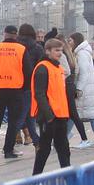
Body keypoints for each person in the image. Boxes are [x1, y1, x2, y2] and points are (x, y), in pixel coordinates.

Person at [0, 26, 28, 160]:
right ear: (16, 35)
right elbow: (28, 71)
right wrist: (23, 88)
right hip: (16, 91)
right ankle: (8, 150)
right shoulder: (21, 49)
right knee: (13, 122)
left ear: (4, 34)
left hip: (0, 91)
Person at [30, 38, 72, 176]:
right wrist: (49, 116)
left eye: (61, 50)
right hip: (50, 116)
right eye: (56, 50)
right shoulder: (43, 68)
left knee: (64, 149)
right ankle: (35, 181)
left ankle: (69, 180)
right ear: (47, 51)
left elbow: (60, 93)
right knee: (44, 149)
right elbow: (39, 94)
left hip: (60, 115)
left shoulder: (58, 68)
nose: (60, 53)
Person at [70, 32, 94, 146]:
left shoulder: (81, 54)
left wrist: (79, 89)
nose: (69, 43)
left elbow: (83, 72)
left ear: (76, 41)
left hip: (84, 88)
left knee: (73, 113)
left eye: (70, 40)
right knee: (92, 112)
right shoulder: (85, 52)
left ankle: (66, 135)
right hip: (89, 87)